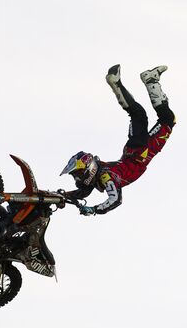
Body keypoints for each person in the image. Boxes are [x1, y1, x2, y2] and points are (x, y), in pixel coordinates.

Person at [61, 64, 176, 216]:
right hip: (136, 151)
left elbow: (115, 199)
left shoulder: (104, 176)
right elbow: (83, 193)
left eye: (79, 173)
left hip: (140, 151)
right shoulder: (98, 176)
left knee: (153, 117)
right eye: (77, 174)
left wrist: (93, 209)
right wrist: (62, 197)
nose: (78, 178)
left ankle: (128, 82)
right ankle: (148, 80)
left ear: (90, 167)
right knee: (154, 117)